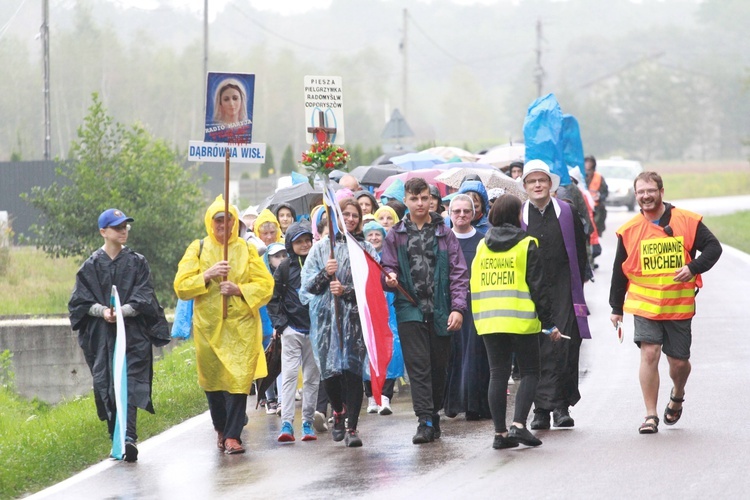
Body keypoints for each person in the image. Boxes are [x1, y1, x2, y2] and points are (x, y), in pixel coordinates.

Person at [609, 171, 722, 434]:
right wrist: (616, 308)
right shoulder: (629, 230)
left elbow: (714, 248)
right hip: (645, 305)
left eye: (650, 190)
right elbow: (619, 270)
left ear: (661, 191)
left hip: (678, 305)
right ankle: (650, 415)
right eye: (640, 192)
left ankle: (678, 393)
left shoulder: (686, 221)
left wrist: (693, 267)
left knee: (679, 363)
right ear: (635, 195)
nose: (646, 196)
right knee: (649, 353)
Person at [174, 196, 274, 454]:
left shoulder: (247, 249)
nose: (223, 225)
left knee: (240, 380)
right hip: (209, 329)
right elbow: (182, 287)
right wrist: (207, 275)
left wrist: (239, 289)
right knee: (214, 382)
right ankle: (220, 426)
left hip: (241, 327)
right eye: (219, 220)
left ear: (235, 223)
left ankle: (233, 436)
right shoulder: (197, 248)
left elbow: (265, 286)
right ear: (210, 222)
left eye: (228, 219)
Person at [68, 208, 164, 462]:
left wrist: (122, 311)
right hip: (102, 337)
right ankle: (115, 436)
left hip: (133, 335)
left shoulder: (137, 262)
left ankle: (129, 437)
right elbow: (79, 303)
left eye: (125, 227)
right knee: (107, 384)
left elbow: (146, 297)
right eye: (117, 227)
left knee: (130, 381)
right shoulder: (90, 266)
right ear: (103, 231)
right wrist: (103, 312)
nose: (123, 231)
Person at [382, 177, 469, 444]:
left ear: (431, 200)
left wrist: (458, 308)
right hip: (410, 309)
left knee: (438, 368)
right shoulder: (395, 235)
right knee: (418, 367)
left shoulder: (445, 233)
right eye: (414, 199)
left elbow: (458, 272)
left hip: (441, 310)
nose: (420, 203)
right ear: (406, 201)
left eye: (424, 198)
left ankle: (434, 414)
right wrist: (389, 277)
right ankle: (424, 420)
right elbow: (386, 267)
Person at [472, 194, 562, 449]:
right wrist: (549, 322)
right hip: (520, 320)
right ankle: (519, 426)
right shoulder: (526, 244)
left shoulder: (482, 246)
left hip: (490, 320)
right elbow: (538, 288)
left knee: (497, 374)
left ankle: (500, 434)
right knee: (531, 372)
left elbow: (474, 282)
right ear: (517, 215)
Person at [300, 198, 379, 448]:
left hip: (355, 320)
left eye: (355, 215)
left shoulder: (365, 249)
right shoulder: (321, 249)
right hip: (325, 322)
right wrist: (326, 272)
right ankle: (337, 410)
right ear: (336, 218)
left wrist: (345, 291)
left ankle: (352, 427)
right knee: (331, 372)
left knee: (353, 371)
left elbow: (372, 289)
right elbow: (308, 287)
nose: (351, 219)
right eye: (345, 214)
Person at [520, 160, 591, 430]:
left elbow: (580, 250)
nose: (537, 185)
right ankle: (540, 409)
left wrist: (579, 286)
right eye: (531, 181)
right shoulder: (520, 214)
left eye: (542, 180)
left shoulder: (566, 211)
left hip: (563, 286)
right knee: (538, 347)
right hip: (531, 290)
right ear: (525, 187)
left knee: (565, 344)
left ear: (550, 184)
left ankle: (561, 406)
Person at [267, 222, 322, 443]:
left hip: (316, 330)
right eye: (298, 241)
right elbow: (273, 298)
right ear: (290, 244)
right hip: (292, 330)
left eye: (307, 240)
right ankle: (287, 423)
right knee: (289, 376)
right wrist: (282, 325)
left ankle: (307, 422)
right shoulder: (284, 267)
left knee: (312, 378)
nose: (304, 244)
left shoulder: (318, 264)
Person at [443, 194, 491, 421]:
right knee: (451, 354)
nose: (461, 215)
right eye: (457, 211)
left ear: (474, 214)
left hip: (475, 306)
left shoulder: (483, 241)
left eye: (466, 211)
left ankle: (474, 404)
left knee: (474, 355)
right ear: (449, 214)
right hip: (447, 306)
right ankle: (451, 403)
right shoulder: (442, 240)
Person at [361, 220, 404, 415]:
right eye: (369, 234)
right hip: (368, 310)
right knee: (367, 351)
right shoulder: (361, 260)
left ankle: (385, 397)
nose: (374, 238)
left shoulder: (389, 258)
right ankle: (371, 396)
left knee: (392, 351)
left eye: (377, 234)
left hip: (389, 311)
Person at [585, 155, 608, 236]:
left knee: (595, 229)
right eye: (586, 162)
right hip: (583, 207)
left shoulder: (599, 177)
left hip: (596, 208)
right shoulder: (579, 176)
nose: (588, 164)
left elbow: (605, 192)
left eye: (590, 162)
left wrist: (600, 197)